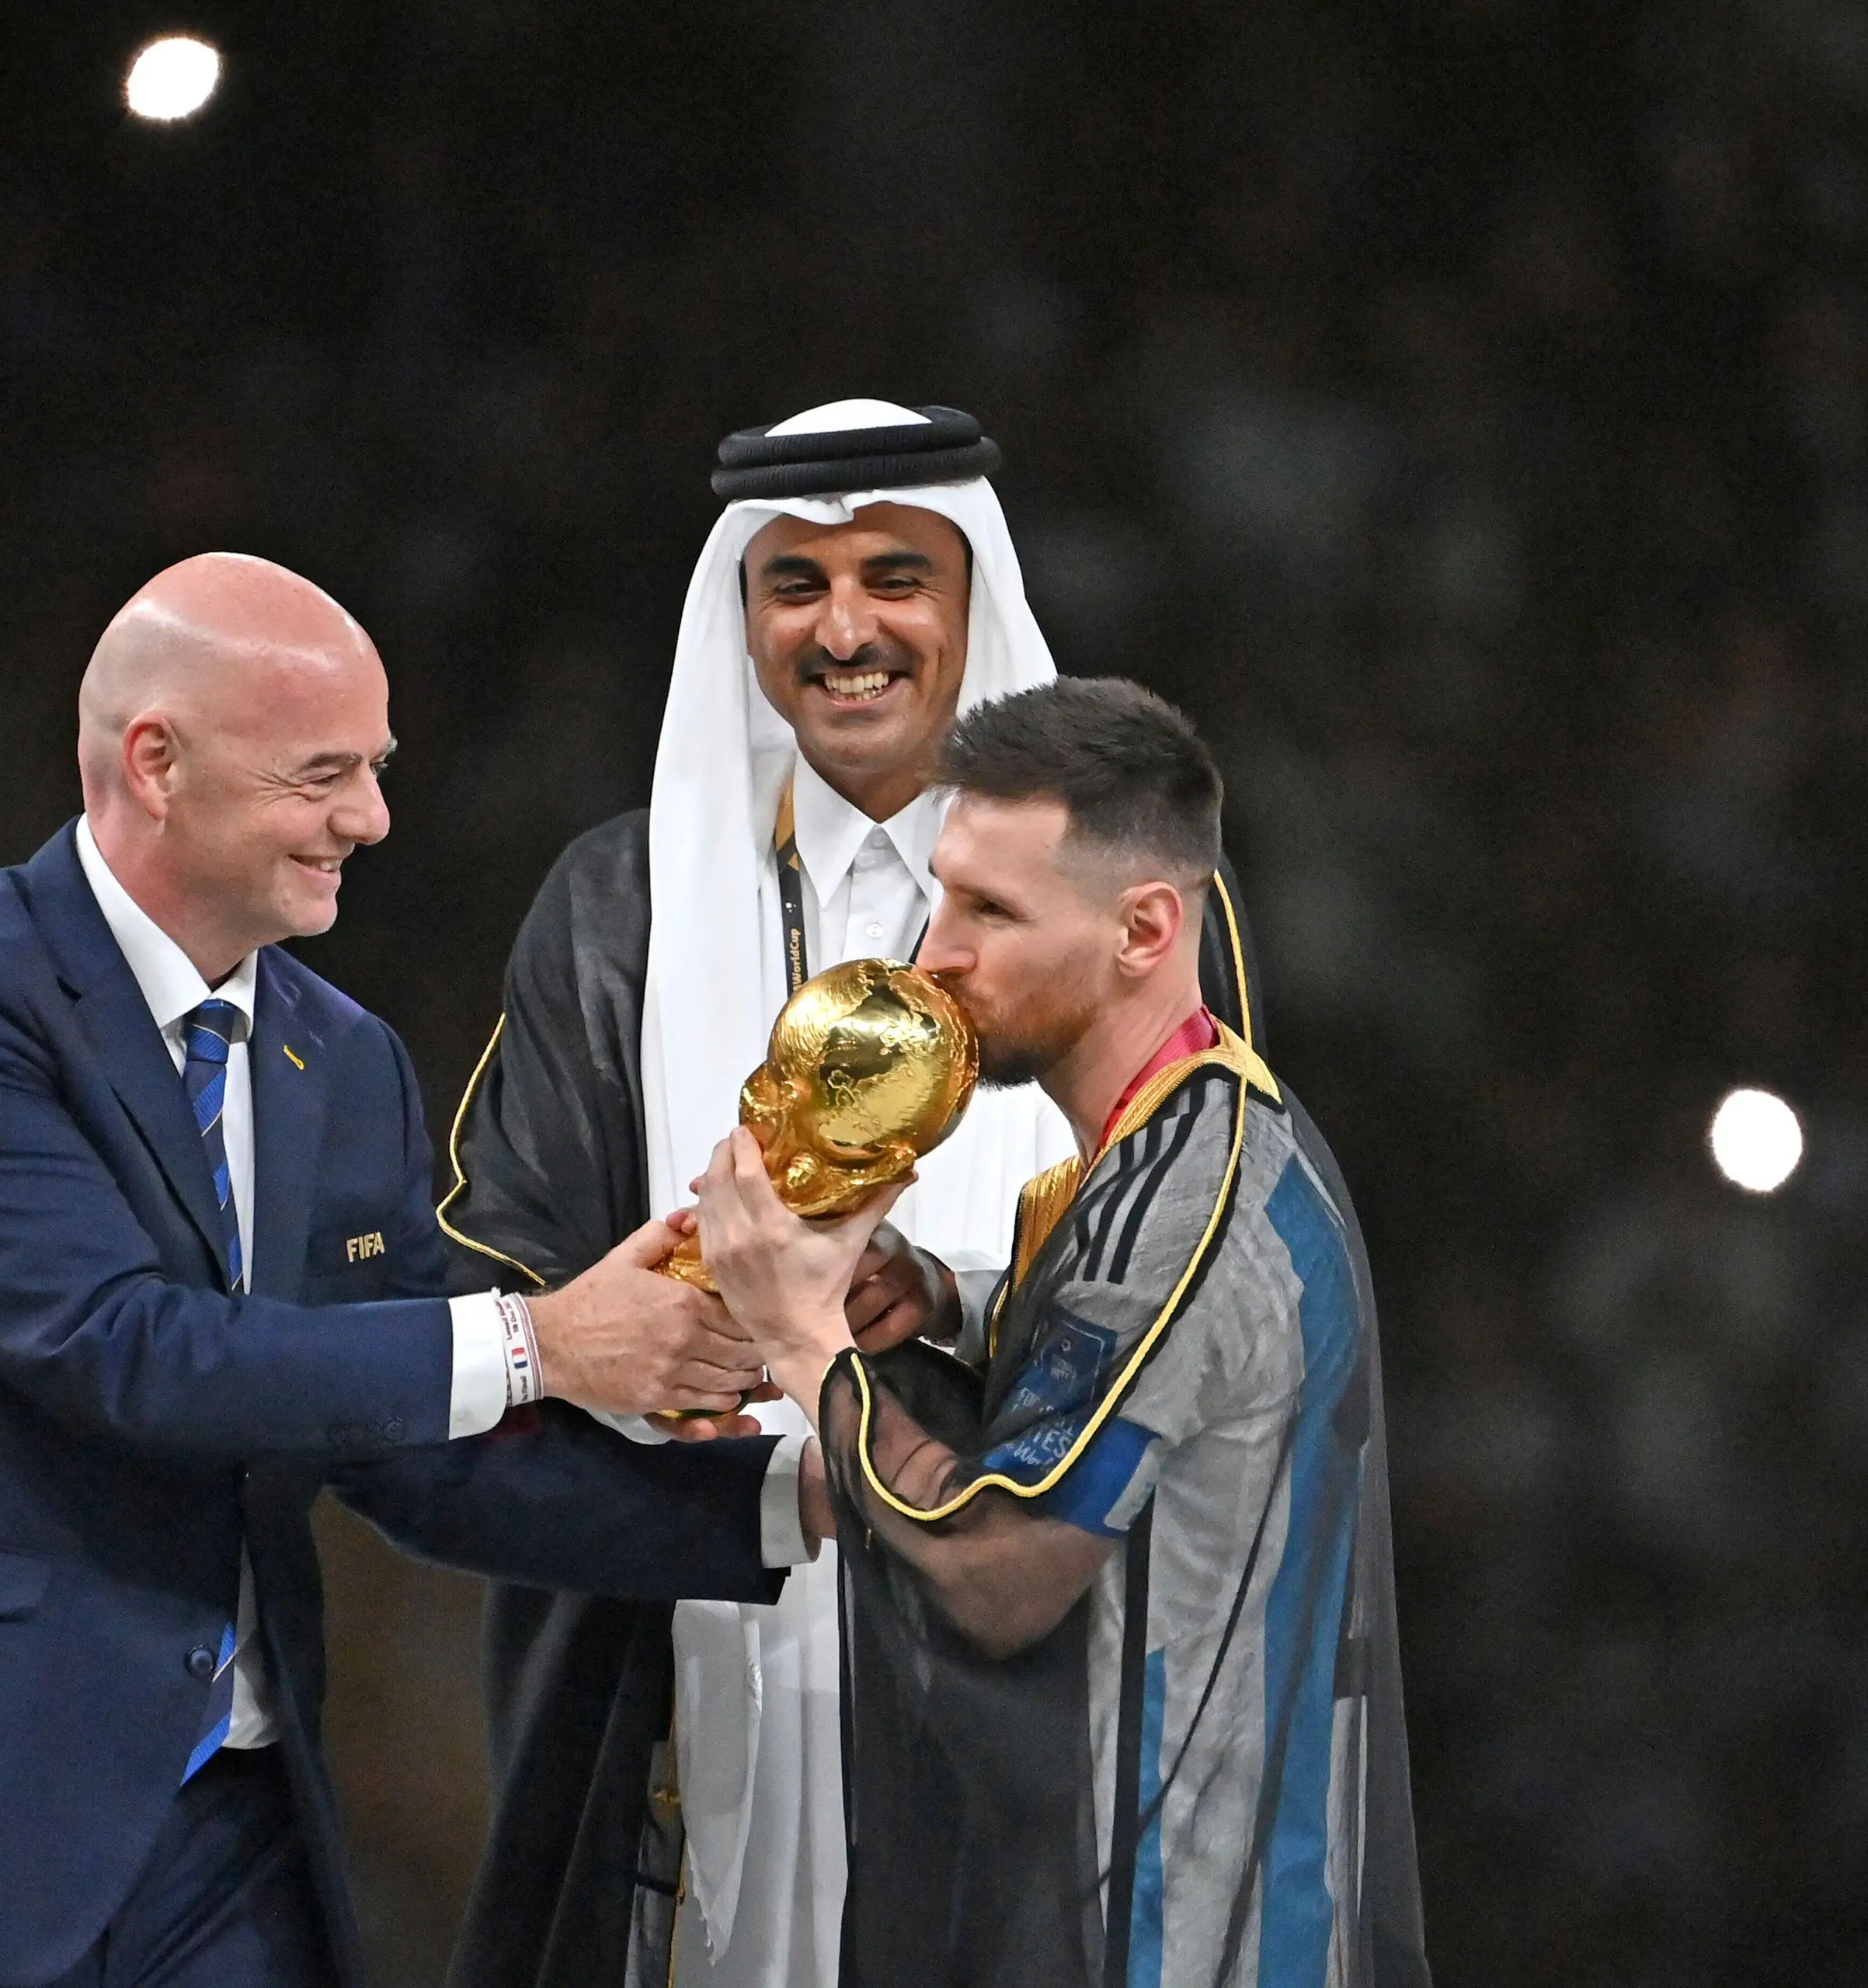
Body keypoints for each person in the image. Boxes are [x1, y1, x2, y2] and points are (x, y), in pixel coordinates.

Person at [0, 553, 828, 1988]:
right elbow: (124, 1352)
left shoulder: (341, 1063)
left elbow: (420, 1457)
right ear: (156, 764)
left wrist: (801, 1499)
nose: (371, 817)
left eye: (379, 768)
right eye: (322, 775)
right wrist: (543, 1340)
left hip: (225, 1856)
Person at [437, 403, 1266, 1988]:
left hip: (1015, 1632)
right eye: (794, 583)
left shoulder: (1127, 919)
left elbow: (1202, 1270)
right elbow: (496, 1268)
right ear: (738, 616)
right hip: (683, 1636)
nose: (847, 627)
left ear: (972, 603)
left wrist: (939, 1292)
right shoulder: (621, 907)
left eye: (898, 575)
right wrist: (638, 1322)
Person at [694, 679, 1428, 1988]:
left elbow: (1000, 1573)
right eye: (945, 895)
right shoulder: (1169, 1146)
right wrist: (955, 1299)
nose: (937, 956)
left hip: (1180, 1942)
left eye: (992, 911)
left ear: (1145, 928)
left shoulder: (1197, 1201)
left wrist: (806, 1341)